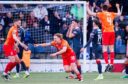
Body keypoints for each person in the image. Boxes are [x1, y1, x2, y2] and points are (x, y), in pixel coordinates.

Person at [86, 2, 121, 72]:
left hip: (106, 32)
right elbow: (119, 14)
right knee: (111, 49)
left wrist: (87, 6)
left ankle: (107, 63)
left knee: (104, 48)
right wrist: (117, 7)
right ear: (108, 9)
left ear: (102, 9)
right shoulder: (111, 14)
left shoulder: (101, 14)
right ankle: (111, 63)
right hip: (112, 31)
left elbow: (90, 13)